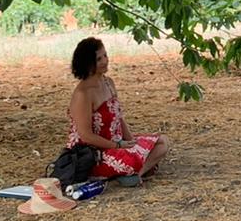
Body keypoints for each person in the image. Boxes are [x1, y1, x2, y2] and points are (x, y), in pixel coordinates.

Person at [61, 36, 169, 185]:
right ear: (88, 64)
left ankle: (136, 173)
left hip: (117, 143)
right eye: (99, 59)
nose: (105, 61)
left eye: (105, 55)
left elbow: (119, 117)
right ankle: (134, 172)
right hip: (94, 154)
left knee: (162, 142)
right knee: (138, 155)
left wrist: (131, 141)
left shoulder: (108, 82)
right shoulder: (83, 94)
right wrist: (118, 146)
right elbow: (86, 136)